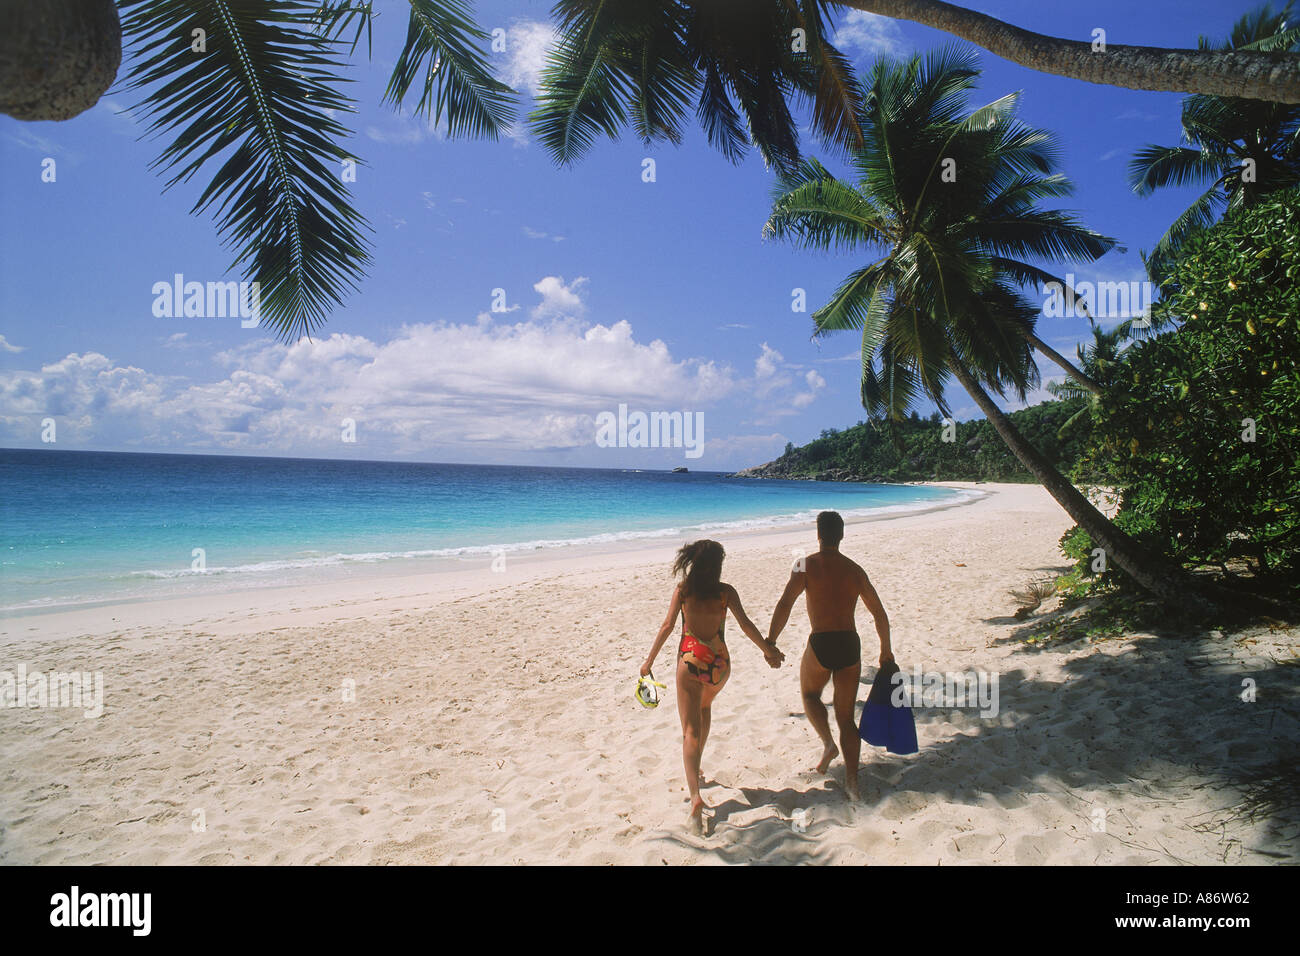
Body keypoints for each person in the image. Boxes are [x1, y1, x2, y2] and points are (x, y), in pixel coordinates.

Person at [641, 539, 784, 829]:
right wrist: (768, 650)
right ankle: (699, 767)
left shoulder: (684, 591)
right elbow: (745, 625)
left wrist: (648, 662)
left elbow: (668, 626)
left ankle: (695, 798)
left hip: (690, 662)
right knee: (704, 709)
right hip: (719, 666)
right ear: (718, 565)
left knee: (689, 731)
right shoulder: (725, 593)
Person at [768, 511, 892, 802]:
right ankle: (852, 782)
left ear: (818, 534)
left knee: (810, 694)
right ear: (842, 535)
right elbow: (879, 613)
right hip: (850, 644)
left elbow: (786, 603)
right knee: (846, 718)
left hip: (822, 642)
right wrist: (886, 649)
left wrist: (771, 641)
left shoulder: (804, 566)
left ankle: (827, 744)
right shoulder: (854, 569)